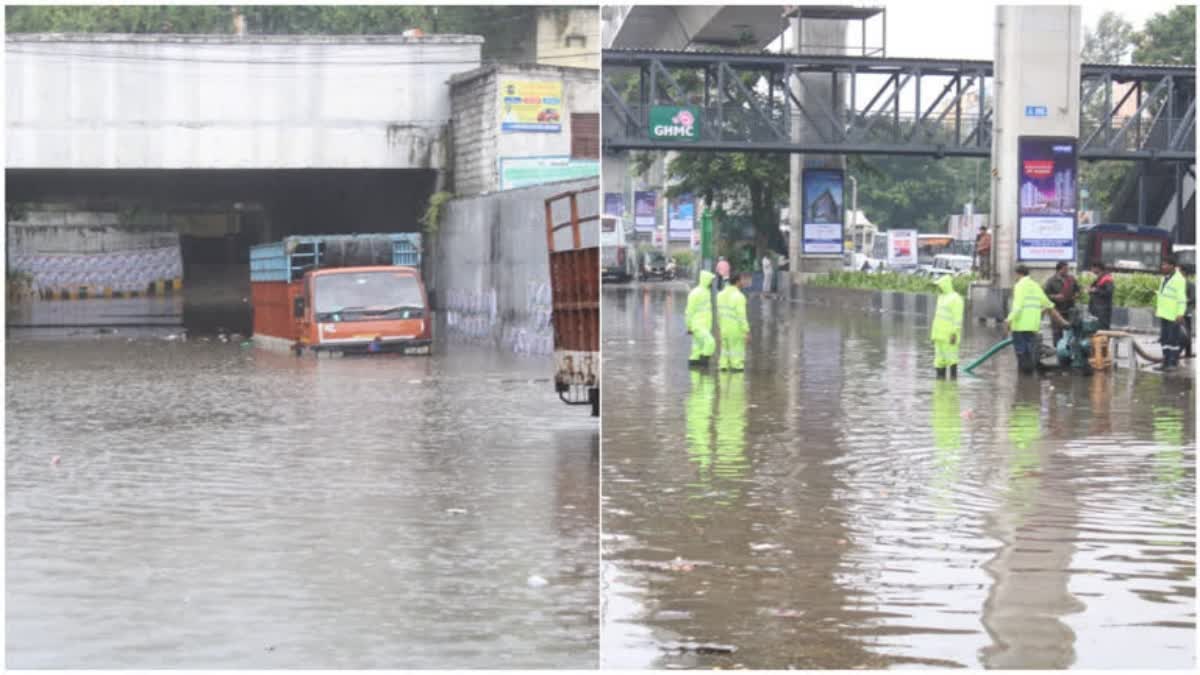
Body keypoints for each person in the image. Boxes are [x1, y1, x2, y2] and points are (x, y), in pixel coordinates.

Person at [1006, 265, 1068, 375]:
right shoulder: (1036, 286)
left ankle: (1023, 382)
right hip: (1033, 326)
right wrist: (1063, 322)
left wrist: (1008, 320)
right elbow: (1048, 305)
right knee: (1030, 352)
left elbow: (1018, 306)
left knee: (1021, 353)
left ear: (1018, 274)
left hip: (1020, 326)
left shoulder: (1019, 285)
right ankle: (1030, 382)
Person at [1155, 254, 1187, 370]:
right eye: (1162, 264)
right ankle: (1165, 362)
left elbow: (1181, 299)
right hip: (1164, 313)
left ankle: (1172, 363)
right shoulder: (1164, 278)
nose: (1162, 267)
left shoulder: (1179, 280)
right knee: (1164, 339)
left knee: (1173, 339)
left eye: (1165, 265)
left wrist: (1180, 313)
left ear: (1173, 266)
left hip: (1173, 315)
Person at [930, 275, 964, 379]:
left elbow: (957, 319)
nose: (938, 288)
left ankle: (952, 385)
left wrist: (954, 333)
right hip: (938, 336)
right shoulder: (941, 297)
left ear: (945, 285)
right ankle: (940, 388)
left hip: (949, 337)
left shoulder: (956, 299)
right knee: (939, 362)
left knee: (952, 360)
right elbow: (938, 317)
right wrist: (933, 335)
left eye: (939, 286)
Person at [717, 271, 751, 371]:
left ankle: (723, 373)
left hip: (724, 328)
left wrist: (719, 328)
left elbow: (719, 314)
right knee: (737, 360)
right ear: (737, 281)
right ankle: (736, 380)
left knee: (724, 355)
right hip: (735, 330)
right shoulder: (739, 297)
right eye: (742, 280)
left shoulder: (720, 294)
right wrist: (746, 331)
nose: (744, 282)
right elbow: (741, 317)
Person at [1043, 261, 1078, 349]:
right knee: (1057, 331)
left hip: (1070, 309)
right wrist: (1055, 297)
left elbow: (1077, 289)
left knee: (1071, 329)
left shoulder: (1071, 279)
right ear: (1059, 269)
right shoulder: (1051, 281)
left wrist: (1076, 295)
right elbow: (1045, 295)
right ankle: (1058, 349)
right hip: (1057, 310)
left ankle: (1070, 348)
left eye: (1067, 269)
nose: (1067, 271)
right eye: (1065, 269)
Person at [685, 270, 717, 366]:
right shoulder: (695, 293)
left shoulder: (706, 292)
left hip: (704, 325)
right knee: (710, 342)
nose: (712, 283)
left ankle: (696, 371)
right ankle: (704, 362)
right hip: (698, 326)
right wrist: (689, 326)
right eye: (711, 280)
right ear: (706, 280)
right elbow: (689, 311)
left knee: (697, 348)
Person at [1087, 260, 1114, 330]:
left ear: (1098, 268)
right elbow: (1093, 290)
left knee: (1103, 330)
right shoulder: (1098, 279)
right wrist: (1090, 290)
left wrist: (1095, 290)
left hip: (1103, 310)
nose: (1091, 270)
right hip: (1096, 309)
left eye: (1092, 268)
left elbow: (1108, 292)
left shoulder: (1107, 278)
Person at [1183, 263, 1195, 359]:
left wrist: (1183, 299)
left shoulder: (1191, 284)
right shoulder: (1177, 283)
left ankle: (1188, 352)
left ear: (1184, 273)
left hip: (1186, 312)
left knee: (1187, 332)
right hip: (1178, 312)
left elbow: (1193, 298)